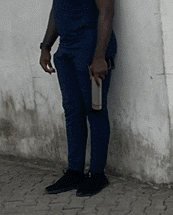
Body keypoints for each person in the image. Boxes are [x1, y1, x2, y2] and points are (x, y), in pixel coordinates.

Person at [39, 0, 116, 198]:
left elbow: (106, 12)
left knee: (95, 109)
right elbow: (57, 9)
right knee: (73, 111)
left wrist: (99, 56)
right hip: (66, 48)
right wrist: (46, 45)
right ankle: (75, 171)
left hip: (89, 45)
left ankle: (98, 174)